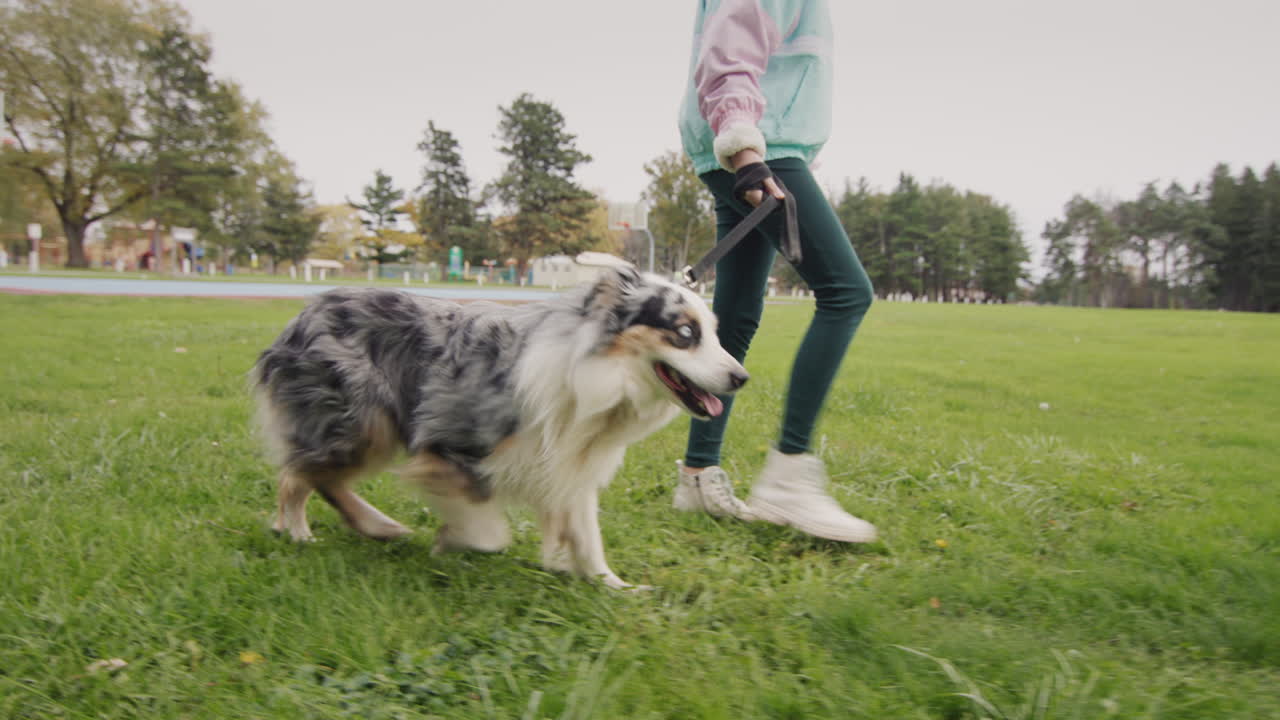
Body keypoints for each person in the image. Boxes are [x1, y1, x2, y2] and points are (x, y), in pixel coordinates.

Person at [672, 0, 877, 542]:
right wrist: (744, 150)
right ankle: (789, 474)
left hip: (750, 147)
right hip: (759, 147)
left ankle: (697, 473)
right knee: (846, 293)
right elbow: (730, 46)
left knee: (736, 313)